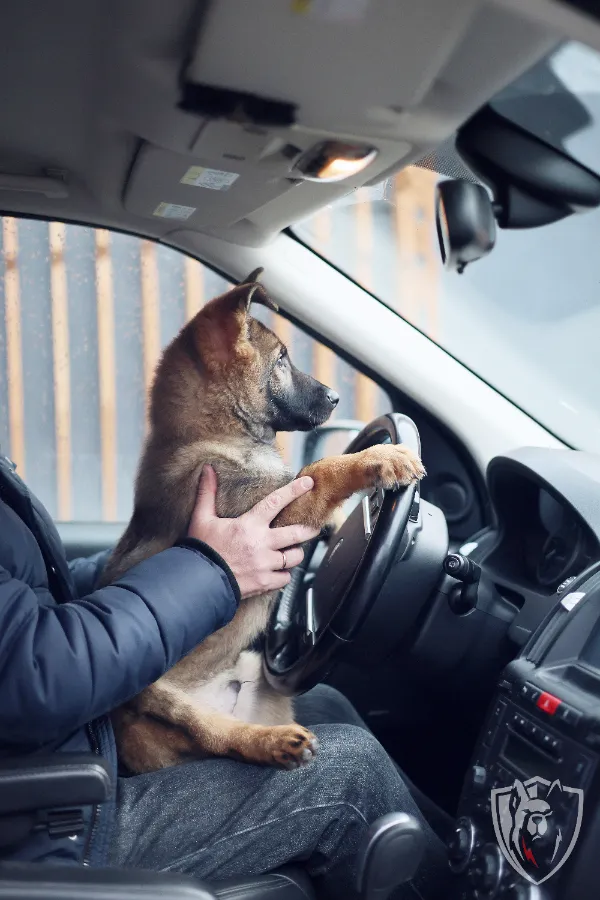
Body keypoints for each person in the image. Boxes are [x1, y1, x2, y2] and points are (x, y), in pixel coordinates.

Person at [0, 454, 447, 898]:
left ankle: (452, 848)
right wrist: (210, 570)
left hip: (75, 755)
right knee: (352, 769)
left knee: (327, 705)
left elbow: (46, 603)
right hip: (53, 820)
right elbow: (36, 674)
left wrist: (170, 552)